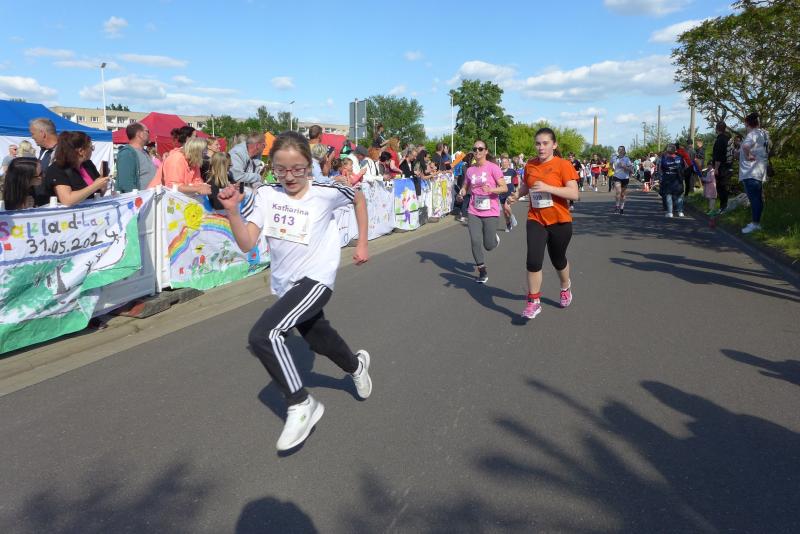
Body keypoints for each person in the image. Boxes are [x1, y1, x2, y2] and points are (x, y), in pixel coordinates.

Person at [217, 131, 372, 452]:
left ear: (309, 165)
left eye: (297, 169)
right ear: (271, 167)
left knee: (264, 335)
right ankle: (356, 366)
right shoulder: (265, 195)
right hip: (286, 285)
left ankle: (301, 403)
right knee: (319, 339)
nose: (289, 177)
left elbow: (358, 198)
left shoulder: (326, 191)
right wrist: (232, 212)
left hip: (317, 279)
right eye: (280, 169)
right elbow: (247, 242)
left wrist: (362, 243)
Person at [507, 128, 579, 319]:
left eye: (545, 143)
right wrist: (516, 195)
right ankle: (533, 301)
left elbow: (574, 194)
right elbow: (527, 185)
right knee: (533, 260)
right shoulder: (530, 164)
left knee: (558, 260)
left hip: (560, 221)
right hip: (536, 218)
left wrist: (548, 187)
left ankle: (565, 287)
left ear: (554, 145)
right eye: (538, 143)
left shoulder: (563, 165)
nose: (541, 147)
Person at [457, 139, 507, 284]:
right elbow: (465, 186)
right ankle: (482, 271)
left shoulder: (493, 168)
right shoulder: (470, 170)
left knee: (488, 245)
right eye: (475, 149)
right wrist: (462, 192)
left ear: (486, 151)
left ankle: (494, 239)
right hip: (473, 210)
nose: (477, 151)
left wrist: (491, 189)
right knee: (475, 240)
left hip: (491, 211)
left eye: (480, 149)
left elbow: (504, 188)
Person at [46, 132, 109, 206]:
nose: (92, 150)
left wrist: (102, 178)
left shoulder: (88, 164)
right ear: (81, 151)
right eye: (91, 148)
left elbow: (99, 194)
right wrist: (94, 186)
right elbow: (67, 200)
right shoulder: (58, 169)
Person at [739, 112, 770, 234]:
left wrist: (748, 155)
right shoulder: (763, 133)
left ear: (747, 123)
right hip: (759, 171)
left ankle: (755, 224)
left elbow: (746, 146)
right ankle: (757, 222)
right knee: (758, 199)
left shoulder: (753, 134)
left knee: (754, 199)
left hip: (750, 171)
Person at [116, 122, 156, 193]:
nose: (149, 134)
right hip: (140, 198)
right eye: (147, 131)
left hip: (150, 196)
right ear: (140, 134)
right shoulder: (127, 153)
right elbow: (126, 184)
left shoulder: (144, 152)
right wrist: (139, 199)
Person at [28, 118, 59, 204]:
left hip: (55, 206)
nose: (32, 137)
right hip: (39, 203)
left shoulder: (64, 151)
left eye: (33, 134)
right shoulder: (43, 150)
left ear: (42, 133)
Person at [659, 143, 685, 217]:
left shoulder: (664, 159)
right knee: (679, 195)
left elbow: (661, 169)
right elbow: (683, 167)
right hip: (678, 179)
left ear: (667, 151)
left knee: (668, 195)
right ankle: (680, 212)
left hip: (668, 179)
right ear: (675, 150)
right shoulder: (680, 158)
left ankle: (670, 212)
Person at [712, 121, 732, 214]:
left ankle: (723, 207)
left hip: (721, 167)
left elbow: (718, 156)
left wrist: (716, 169)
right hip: (728, 165)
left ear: (717, 129)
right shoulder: (728, 138)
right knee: (725, 186)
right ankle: (724, 206)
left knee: (721, 187)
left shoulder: (720, 140)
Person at [610, 146, 633, 214]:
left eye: (622, 149)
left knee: (623, 194)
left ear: (624, 151)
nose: (620, 151)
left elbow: (631, 169)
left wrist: (624, 166)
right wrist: (612, 168)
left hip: (625, 177)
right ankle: (617, 206)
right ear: (618, 150)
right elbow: (610, 163)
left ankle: (622, 208)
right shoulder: (614, 158)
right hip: (617, 176)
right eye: (619, 149)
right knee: (618, 191)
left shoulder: (627, 159)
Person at [499, 156, 518, 231]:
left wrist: (517, 189)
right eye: (503, 162)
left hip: (510, 192)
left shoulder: (512, 171)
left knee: (506, 207)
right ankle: (508, 225)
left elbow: (517, 179)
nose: (504, 163)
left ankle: (512, 217)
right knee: (504, 212)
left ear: (508, 163)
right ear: (501, 163)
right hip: (502, 193)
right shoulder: (498, 171)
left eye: (505, 162)